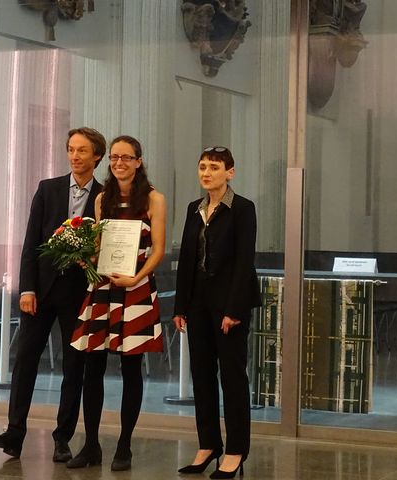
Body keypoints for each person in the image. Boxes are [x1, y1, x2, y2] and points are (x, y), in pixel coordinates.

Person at [0, 127, 106, 463]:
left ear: (97, 156)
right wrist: (27, 287)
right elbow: (30, 242)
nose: (75, 156)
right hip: (40, 291)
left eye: (82, 150)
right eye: (71, 149)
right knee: (25, 360)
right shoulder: (48, 189)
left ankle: (62, 438)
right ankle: (14, 432)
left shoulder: (104, 196)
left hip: (80, 294)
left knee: (74, 367)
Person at [67, 135, 166, 471]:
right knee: (91, 367)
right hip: (104, 288)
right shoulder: (101, 199)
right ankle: (91, 444)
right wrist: (85, 259)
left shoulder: (154, 199)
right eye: (114, 158)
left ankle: (124, 445)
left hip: (136, 287)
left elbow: (159, 250)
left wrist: (138, 277)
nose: (119, 163)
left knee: (130, 369)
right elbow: (97, 248)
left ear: (139, 161)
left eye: (127, 157)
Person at [173, 146, 260, 479]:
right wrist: (180, 306)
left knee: (233, 377)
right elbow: (187, 262)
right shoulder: (194, 208)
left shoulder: (242, 208)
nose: (206, 173)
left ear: (230, 172)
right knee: (202, 376)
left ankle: (236, 450)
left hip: (229, 306)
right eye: (202, 167)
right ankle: (208, 444)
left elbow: (243, 261)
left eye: (213, 167)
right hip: (198, 304)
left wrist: (234, 308)